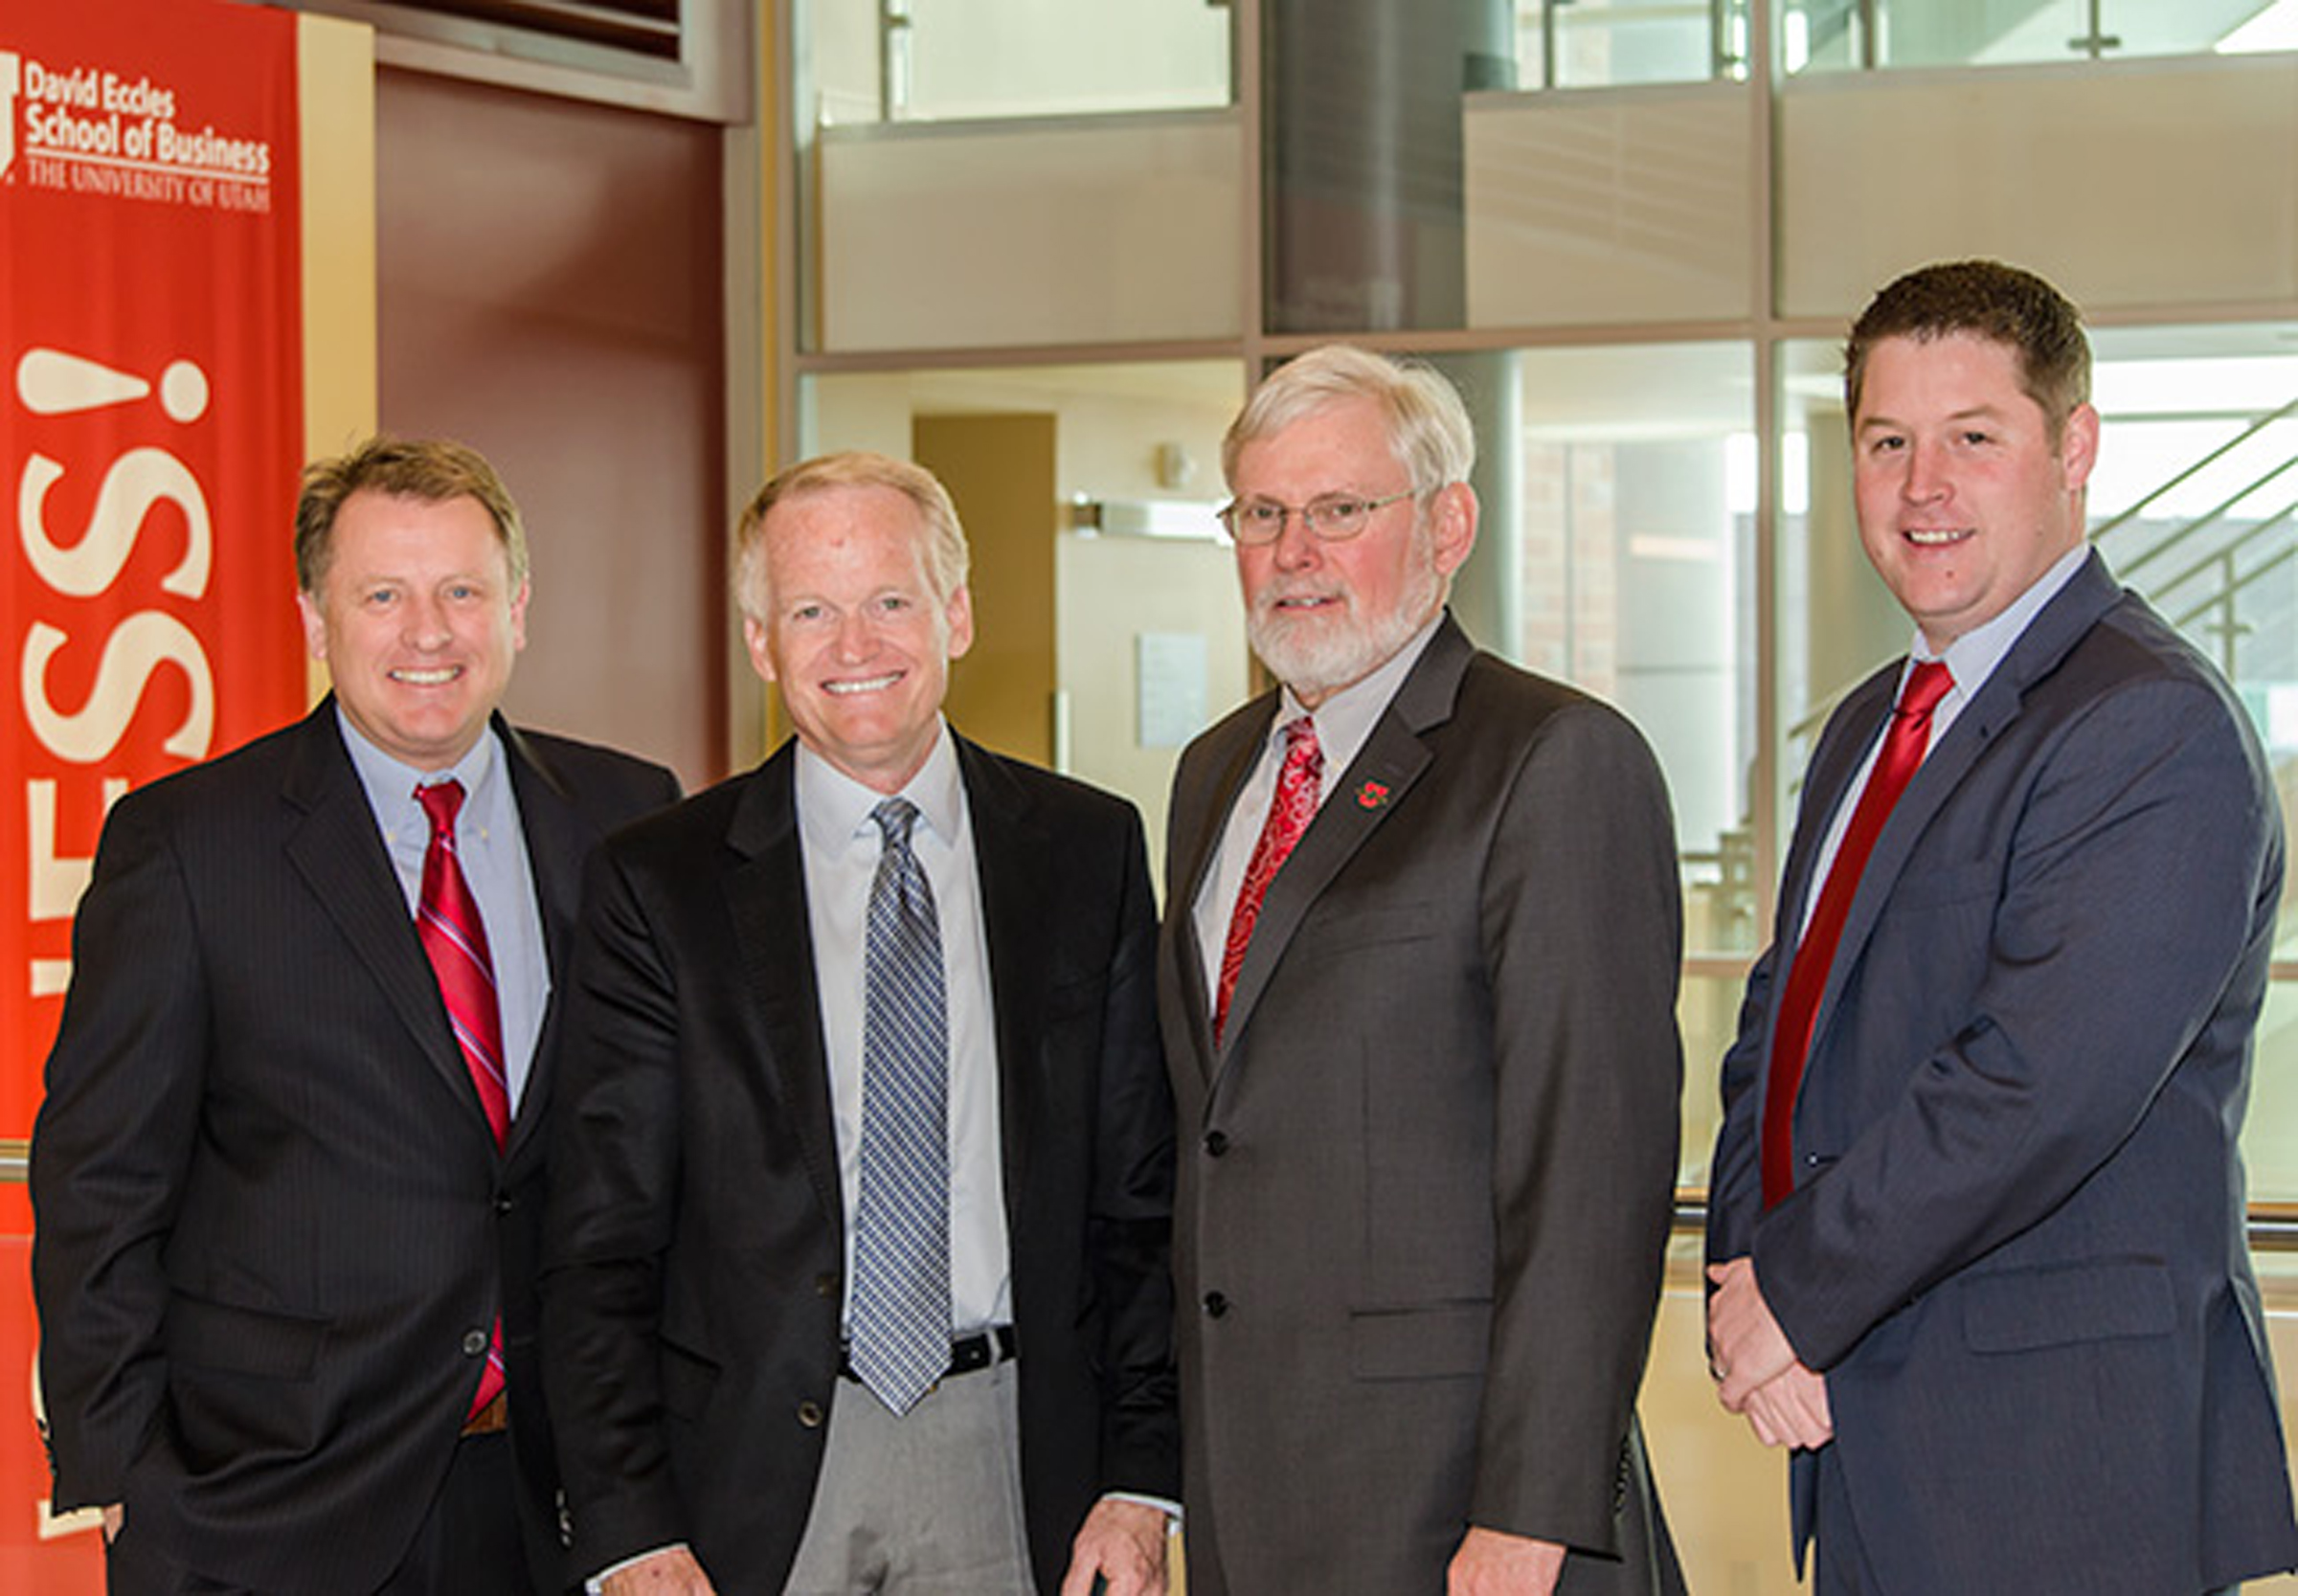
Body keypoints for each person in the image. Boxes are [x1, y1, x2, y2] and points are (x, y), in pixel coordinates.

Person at [1705, 259, 2298, 1593]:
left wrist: (1793, 1293)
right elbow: (1782, 1021)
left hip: (2060, 1470)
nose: (1924, 486)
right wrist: (1744, 1273)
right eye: (1887, 441)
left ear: (2074, 447)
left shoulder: (2153, 725)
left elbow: (2034, 1088)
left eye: (1973, 438)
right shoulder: (1868, 723)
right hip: (1868, 1430)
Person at [31, 437, 682, 1594]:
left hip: (560, 1502)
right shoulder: (188, 843)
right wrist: (126, 1473)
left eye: (462, 591)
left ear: (518, 609)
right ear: (316, 616)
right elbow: (99, 1181)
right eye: (382, 593)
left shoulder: (628, 818)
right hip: (269, 1508)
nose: (427, 632)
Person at [538, 450, 1177, 1596]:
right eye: (811, 610)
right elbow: (599, 1236)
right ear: (760, 641)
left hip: (1017, 1457)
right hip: (748, 1473)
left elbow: (1141, 1201)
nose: (854, 644)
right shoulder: (658, 881)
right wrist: (629, 1524)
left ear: (958, 613)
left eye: (890, 599)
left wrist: (1140, 1479)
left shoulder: (1088, 852)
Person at [1160, 345, 1686, 1595]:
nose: (1294, 551)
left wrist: (1528, 1512)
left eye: (1341, 510)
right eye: (1262, 513)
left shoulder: (1553, 760)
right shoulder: (1212, 772)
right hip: (1251, 1491)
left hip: (1461, 1512)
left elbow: (1589, 1173)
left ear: (1447, 524)